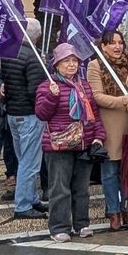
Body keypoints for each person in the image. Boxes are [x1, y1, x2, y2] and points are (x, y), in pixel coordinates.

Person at [36, 44, 105, 241]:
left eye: (74, 60)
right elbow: (42, 113)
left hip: (83, 142)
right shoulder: (46, 86)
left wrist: (99, 136)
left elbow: (94, 114)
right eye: (66, 61)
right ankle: (59, 226)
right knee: (60, 188)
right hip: (59, 145)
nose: (71, 64)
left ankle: (82, 223)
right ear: (57, 64)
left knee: (81, 188)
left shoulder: (84, 85)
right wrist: (51, 95)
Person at [88, 30, 128, 231]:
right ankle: (113, 211)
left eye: (120, 43)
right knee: (110, 171)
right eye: (112, 43)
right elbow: (96, 96)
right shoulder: (95, 65)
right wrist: (121, 100)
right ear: (103, 46)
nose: (117, 47)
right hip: (109, 126)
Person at [0, 19, 48, 220]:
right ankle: (23, 205)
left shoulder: (9, 53)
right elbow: (34, 91)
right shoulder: (33, 57)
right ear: (37, 35)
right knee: (30, 162)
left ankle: (32, 198)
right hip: (29, 114)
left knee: (23, 159)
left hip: (13, 113)